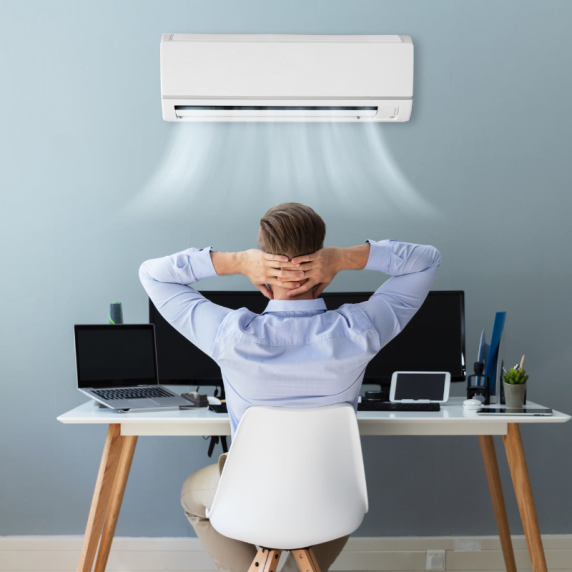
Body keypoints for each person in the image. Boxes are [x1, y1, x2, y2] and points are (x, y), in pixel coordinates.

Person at [139, 202, 441, 572]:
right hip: (330, 499)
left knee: (192, 495)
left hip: (250, 500)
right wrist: (343, 258)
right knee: (337, 499)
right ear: (323, 264)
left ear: (262, 263)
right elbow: (426, 260)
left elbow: (152, 275)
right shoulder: (359, 331)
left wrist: (236, 262)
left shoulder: (229, 336)